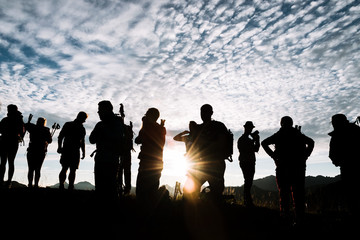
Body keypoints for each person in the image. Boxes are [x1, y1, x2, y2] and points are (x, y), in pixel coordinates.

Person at [261, 116, 314, 224]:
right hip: (297, 168)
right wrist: (305, 156)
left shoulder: (279, 135)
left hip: (283, 168)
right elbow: (311, 142)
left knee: (284, 194)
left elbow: (264, 143)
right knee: (298, 194)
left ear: (281, 124)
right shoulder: (297, 134)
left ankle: (286, 217)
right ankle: (299, 219)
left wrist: (273, 156)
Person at [193, 104, 228, 201]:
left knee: (216, 193)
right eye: (202, 112)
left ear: (211, 113)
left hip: (215, 163)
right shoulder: (199, 128)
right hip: (202, 164)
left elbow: (221, 143)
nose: (203, 114)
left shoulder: (218, 126)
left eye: (205, 112)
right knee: (192, 189)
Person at [89, 101, 124, 199]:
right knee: (103, 187)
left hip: (109, 159)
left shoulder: (114, 123)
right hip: (104, 158)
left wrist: (102, 133)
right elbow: (91, 139)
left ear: (106, 110)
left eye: (100, 110)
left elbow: (93, 139)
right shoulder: (103, 124)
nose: (98, 113)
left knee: (109, 187)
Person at [328, 114, 360, 213]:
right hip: (347, 167)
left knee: (351, 195)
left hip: (348, 168)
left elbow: (332, 153)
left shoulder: (338, 135)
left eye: (334, 123)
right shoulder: (356, 130)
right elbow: (332, 154)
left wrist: (338, 161)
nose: (333, 125)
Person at [135, 108, 166, 205]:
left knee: (141, 189)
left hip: (147, 162)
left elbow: (138, 140)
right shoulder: (162, 129)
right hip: (158, 162)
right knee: (152, 189)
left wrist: (144, 124)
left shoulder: (147, 127)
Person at [58, 111, 87, 190]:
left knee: (69, 169)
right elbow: (61, 136)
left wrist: (83, 152)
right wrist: (59, 147)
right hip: (69, 150)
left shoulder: (76, 127)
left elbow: (82, 141)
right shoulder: (75, 126)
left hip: (71, 150)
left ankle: (68, 185)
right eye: (84, 119)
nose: (84, 121)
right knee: (68, 169)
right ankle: (65, 185)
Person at [173, 121, 200, 199]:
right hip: (190, 161)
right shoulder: (187, 137)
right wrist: (183, 132)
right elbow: (175, 138)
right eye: (189, 126)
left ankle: (193, 196)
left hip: (196, 161)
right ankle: (191, 196)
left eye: (191, 126)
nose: (190, 128)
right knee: (191, 177)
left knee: (195, 178)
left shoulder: (197, 137)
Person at [0, 104, 25, 188]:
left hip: (4, 141)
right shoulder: (19, 121)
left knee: (3, 162)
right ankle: (9, 182)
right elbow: (22, 133)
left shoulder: (5, 120)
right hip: (14, 142)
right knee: (11, 162)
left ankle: (1, 181)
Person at [25, 115, 52, 188]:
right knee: (38, 169)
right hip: (41, 150)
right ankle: (36, 184)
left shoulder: (33, 127)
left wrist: (29, 121)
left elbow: (26, 126)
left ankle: (30, 184)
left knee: (30, 168)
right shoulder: (46, 130)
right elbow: (50, 140)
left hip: (32, 149)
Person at [237, 121, 260, 207]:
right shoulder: (243, 139)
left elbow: (255, 149)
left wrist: (256, 140)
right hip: (247, 162)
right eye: (249, 128)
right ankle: (247, 201)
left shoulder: (243, 139)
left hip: (247, 162)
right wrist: (256, 140)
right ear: (246, 128)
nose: (250, 130)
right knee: (248, 181)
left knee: (248, 181)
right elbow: (254, 149)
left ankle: (247, 200)